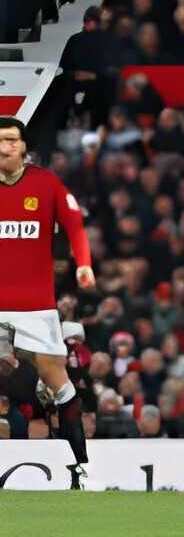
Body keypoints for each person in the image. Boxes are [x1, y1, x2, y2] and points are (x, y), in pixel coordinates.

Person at [0, 116, 94, 486]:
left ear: (23, 146)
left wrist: (84, 264)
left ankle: (82, 468)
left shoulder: (46, 183)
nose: (4, 146)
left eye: (10, 140)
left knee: (58, 381)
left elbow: (75, 227)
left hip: (35, 306)